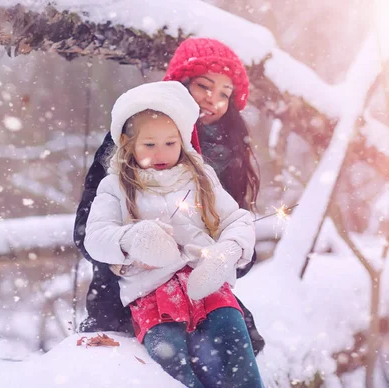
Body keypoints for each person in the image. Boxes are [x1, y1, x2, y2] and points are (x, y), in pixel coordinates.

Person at [74, 37, 265, 354]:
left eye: (224, 94)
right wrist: (135, 244)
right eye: (204, 86)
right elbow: (87, 231)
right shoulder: (132, 137)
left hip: (199, 289)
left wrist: (225, 254)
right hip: (130, 292)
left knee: (235, 349)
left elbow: (237, 224)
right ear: (180, 84)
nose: (213, 100)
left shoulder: (228, 151)